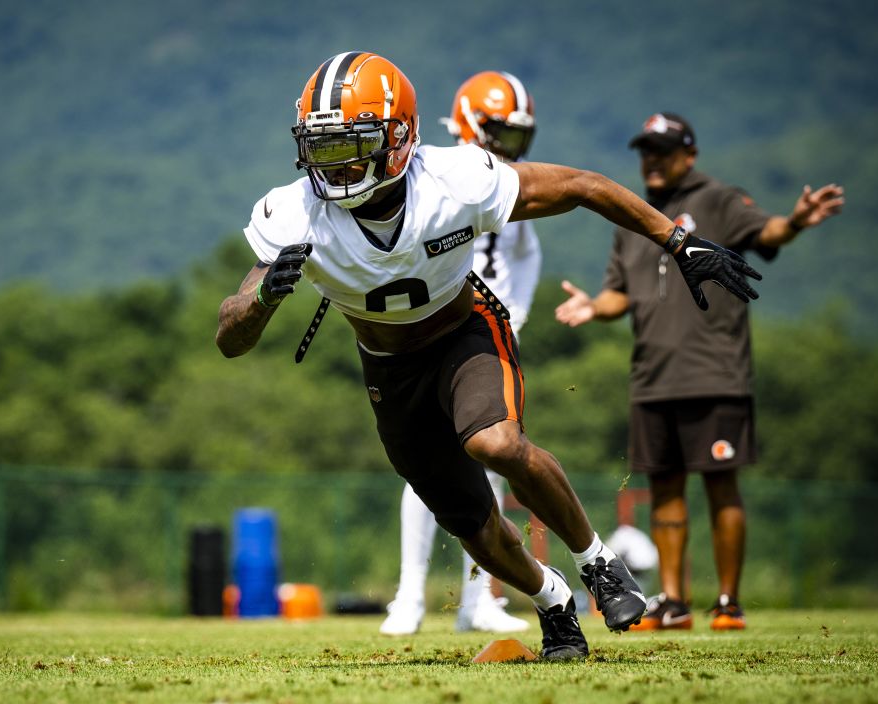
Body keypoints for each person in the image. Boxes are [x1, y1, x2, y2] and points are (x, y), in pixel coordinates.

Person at [216, 53, 762, 660]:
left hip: (464, 332)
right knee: (470, 520)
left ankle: (598, 563)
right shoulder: (293, 213)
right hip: (389, 370)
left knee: (494, 443)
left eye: (353, 144)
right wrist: (263, 297)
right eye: (324, 148)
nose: (337, 164)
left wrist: (678, 242)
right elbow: (230, 335)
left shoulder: (457, 180)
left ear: (399, 137)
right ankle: (553, 600)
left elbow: (584, 186)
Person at [554, 112, 844, 631]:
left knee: (720, 484)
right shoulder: (634, 215)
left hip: (715, 373)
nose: (651, 161)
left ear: (689, 154)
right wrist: (595, 307)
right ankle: (673, 601)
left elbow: (768, 231)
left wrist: (796, 219)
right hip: (652, 376)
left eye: (662, 151)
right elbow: (621, 291)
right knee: (664, 490)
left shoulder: (719, 199)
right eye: (645, 151)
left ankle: (729, 601)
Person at [380, 70, 540, 636]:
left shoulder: (496, 183)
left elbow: (524, 252)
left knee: (494, 456)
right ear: (471, 122)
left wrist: (513, 316)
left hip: (479, 334)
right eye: (500, 129)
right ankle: (409, 595)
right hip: (427, 332)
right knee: (426, 471)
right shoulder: (437, 176)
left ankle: (478, 598)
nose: (509, 144)